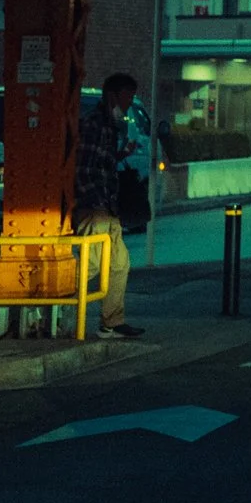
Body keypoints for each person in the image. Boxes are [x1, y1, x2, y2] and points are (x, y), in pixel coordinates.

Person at [73, 72, 145, 339]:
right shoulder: (94, 124)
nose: (129, 103)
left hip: (107, 207)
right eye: (127, 97)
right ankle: (53, 310)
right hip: (95, 207)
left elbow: (100, 163)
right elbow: (82, 168)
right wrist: (96, 202)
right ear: (113, 95)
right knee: (91, 266)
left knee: (119, 264)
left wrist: (121, 155)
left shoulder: (110, 126)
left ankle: (112, 322)